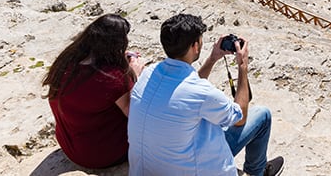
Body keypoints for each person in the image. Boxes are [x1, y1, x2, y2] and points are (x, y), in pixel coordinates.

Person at [128, 13, 284, 176]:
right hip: (190, 169)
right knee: (263, 115)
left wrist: (212, 59)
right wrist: (243, 66)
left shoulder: (148, 74)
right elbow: (240, 117)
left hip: (147, 168)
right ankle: (255, 172)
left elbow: (185, 88)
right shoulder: (201, 92)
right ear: (195, 46)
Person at [42, 13, 145, 169]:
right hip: (101, 156)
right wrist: (135, 75)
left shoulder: (66, 61)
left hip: (69, 145)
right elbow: (135, 114)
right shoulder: (112, 78)